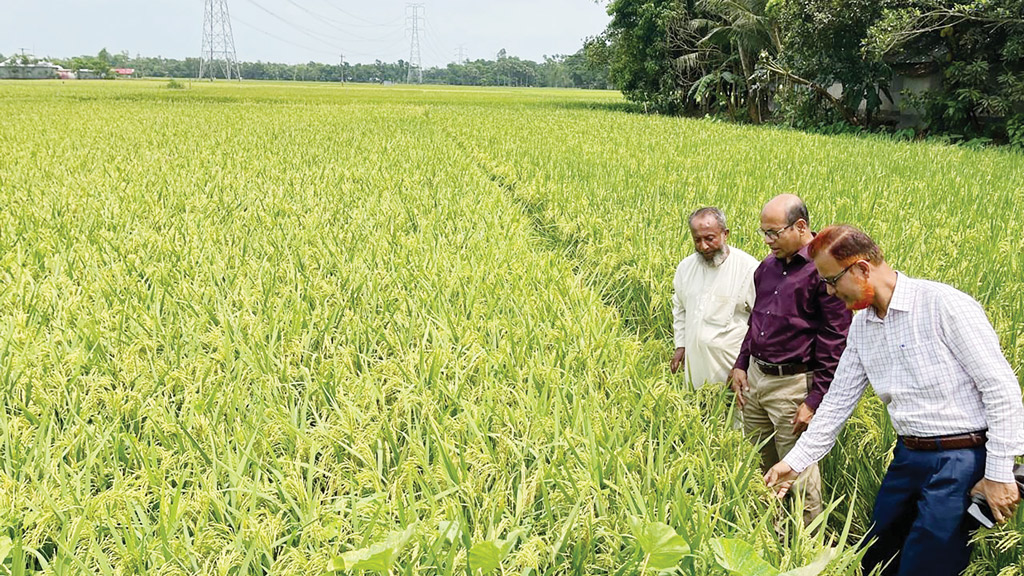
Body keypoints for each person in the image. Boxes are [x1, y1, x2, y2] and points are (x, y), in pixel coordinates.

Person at [764, 224, 1024, 576]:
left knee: (926, 566)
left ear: (861, 269)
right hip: (908, 458)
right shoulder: (862, 327)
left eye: (831, 280)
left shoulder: (943, 306)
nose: (827, 291)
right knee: (876, 556)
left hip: (961, 461)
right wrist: (794, 464)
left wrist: (998, 475)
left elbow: (1001, 389)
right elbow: (838, 402)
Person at [729, 194, 852, 524]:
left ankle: (807, 549)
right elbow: (757, 320)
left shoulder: (823, 271)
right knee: (759, 467)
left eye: (773, 233)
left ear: (800, 227)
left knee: (799, 474)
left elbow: (835, 340)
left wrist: (814, 400)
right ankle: (770, 536)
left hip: (793, 385)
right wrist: (742, 364)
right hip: (756, 380)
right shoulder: (767, 268)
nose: (768, 241)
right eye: (763, 233)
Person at [670, 207, 758, 389]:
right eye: (697, 240)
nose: (703, 246)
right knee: (696, 412)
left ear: (725, 234)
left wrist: (743, 365)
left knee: (730, 415)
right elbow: (680, 309)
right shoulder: (685, 268)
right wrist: (680, 345)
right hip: (695, 367)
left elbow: (761, 320)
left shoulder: (749, 269)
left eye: (710, 239)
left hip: (733, 371)